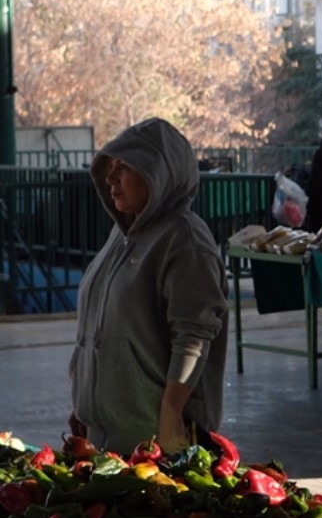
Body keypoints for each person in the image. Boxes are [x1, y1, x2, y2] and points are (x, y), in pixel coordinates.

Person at [70, 118, 228, 455]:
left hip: (156, 444)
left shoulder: (184, 240)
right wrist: (84, 397)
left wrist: (171, 414)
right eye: (109, 167)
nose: (111, 179)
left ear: (160, 175)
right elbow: (94, 326)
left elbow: (194, 336)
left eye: (125, 167)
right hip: (106, 439)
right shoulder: (122, 234)